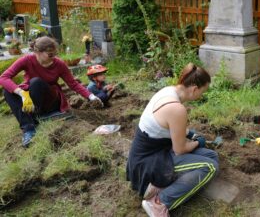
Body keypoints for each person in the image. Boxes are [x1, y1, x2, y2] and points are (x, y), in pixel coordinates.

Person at [126, 63, 219, 217]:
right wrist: (197, 142)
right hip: (149, 164)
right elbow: (180, 149)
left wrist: (190, 134)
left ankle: (168, 184)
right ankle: (159, 203)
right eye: (203, 92)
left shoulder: (169, 91)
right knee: (210, 167)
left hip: (147, 155)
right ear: (195, 88)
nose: (201, 96)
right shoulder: (177, 108)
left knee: (211, 156)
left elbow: (167, 125)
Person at [0, 36, 103, 147]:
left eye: (54, 53)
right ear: (37, 52)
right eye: (50, 54)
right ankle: (29, 129)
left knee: (36, 82)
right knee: (8, 92)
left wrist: (91, 96)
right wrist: (22, 93)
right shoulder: (27, 60)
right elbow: (3, 77)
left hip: (51, 100)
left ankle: (37, 117)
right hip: (33, 99)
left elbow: (73, 84)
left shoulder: (59, 64)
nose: (53, 57)